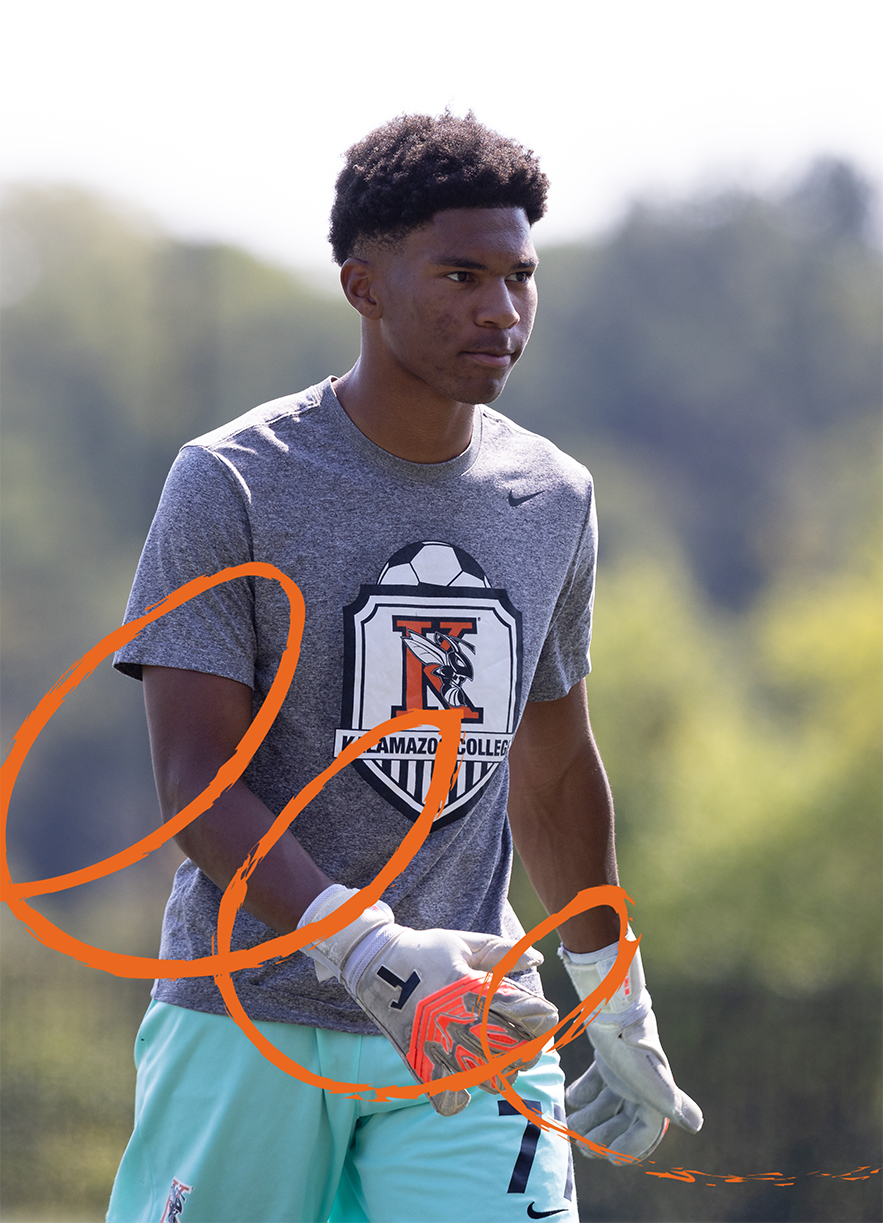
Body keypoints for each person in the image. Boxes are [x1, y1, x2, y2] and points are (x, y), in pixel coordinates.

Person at [107, 112, 701, 1223]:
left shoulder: (553, 496)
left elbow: (556, 766)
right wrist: (369, 950)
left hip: (476, 1021)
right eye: (462, 273)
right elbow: (194, 782)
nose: (502, 307)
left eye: (521, 275)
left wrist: (613, 990)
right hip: (253, 1016)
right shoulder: (230, 480)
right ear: (363, 285)